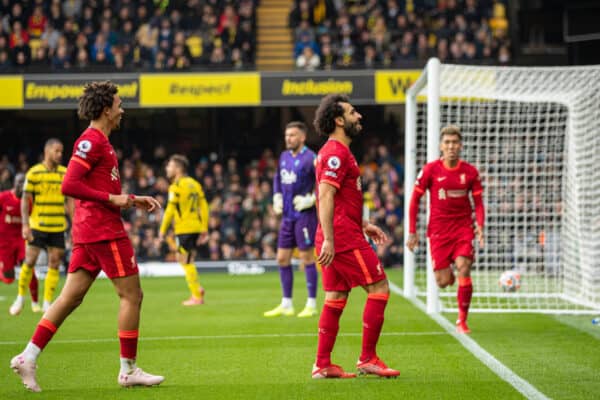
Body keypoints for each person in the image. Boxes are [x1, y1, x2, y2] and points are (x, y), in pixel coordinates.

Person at [10, 81, 164, 392]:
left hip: (88, 231)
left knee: (69, 298)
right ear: (107, 109)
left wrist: (130, 198)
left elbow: (99, 189)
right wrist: (114, 200)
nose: (122, 110)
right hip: (103, 231)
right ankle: (128, 370)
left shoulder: (100, 142)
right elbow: (70, 184)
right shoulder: (91, 141)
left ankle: (28, 356)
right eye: (119, 104)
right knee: (132, 295)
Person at [311, 94, 399, 379]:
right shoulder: (335, 153)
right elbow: (325, 195)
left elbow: (334, 199)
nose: (358, 116)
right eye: (352, 112)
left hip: (339, 232)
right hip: (341, 237)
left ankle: (322, 363)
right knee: (379, 288)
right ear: (339, 120)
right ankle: (367, 358)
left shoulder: (333, 152)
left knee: (335, 295)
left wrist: (362, 223)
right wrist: (331, 238)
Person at [406, 125, 485, 334]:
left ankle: (462, 320)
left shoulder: (470, 172)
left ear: (461, 145)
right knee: (442, 282)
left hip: (463, 229)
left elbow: (478, 203)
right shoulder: (431, 170)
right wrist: (412, 231)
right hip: (439, 232)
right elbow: (414, 200)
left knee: (464, 267)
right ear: (441, 146)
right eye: (447, 143)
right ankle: (451, 275)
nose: (451, 146)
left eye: (455, 143)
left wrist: (480, 225)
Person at [9, 138, 73, 315]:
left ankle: (47, 303)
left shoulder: (64, 173)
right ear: (47, 152)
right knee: (29, 261)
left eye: (61, 151)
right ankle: (20, 298)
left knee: (54, 263)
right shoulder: (34, 173)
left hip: (58, 226)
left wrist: (74, 224)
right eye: (57, 151)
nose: (60, 155)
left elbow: (70, 201)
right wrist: (25, 225)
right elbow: (25, 200)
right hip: (38, 225)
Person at [264, 121, 319, 318]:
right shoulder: (284, 156)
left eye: (293, 135)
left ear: (302, 137)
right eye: (287, 135)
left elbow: (323, 183)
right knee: (281, 258)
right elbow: (278, 179)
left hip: (304, 215)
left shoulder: (312, 158)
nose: (288, 138)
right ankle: (286, 304)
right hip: (287, 216)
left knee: (306, 258)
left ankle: (311, 304)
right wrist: (277, 196)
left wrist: (311, 199)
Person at [158, 154, 209, 306]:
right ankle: (197, 288)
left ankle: (197, 295)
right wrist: (204, 228)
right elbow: (204, 206)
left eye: (170, 166)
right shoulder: (194, 184)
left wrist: (162, 230)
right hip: (195, 227)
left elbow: (169, 210)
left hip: (184, 229)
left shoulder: (176, 186)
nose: (167, 168)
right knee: (186, 259)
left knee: (185, 261)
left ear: (178, 169)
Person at [0, 173, 40, 309]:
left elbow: (33, 218)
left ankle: (35, 303)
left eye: (24, 182)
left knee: (29, 268)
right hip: (5, 242)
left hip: (21, 240)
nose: (21, 185)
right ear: (14, 183)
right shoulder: (4, 197)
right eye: (19, 182)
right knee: (9, 278)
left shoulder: (28, 201)